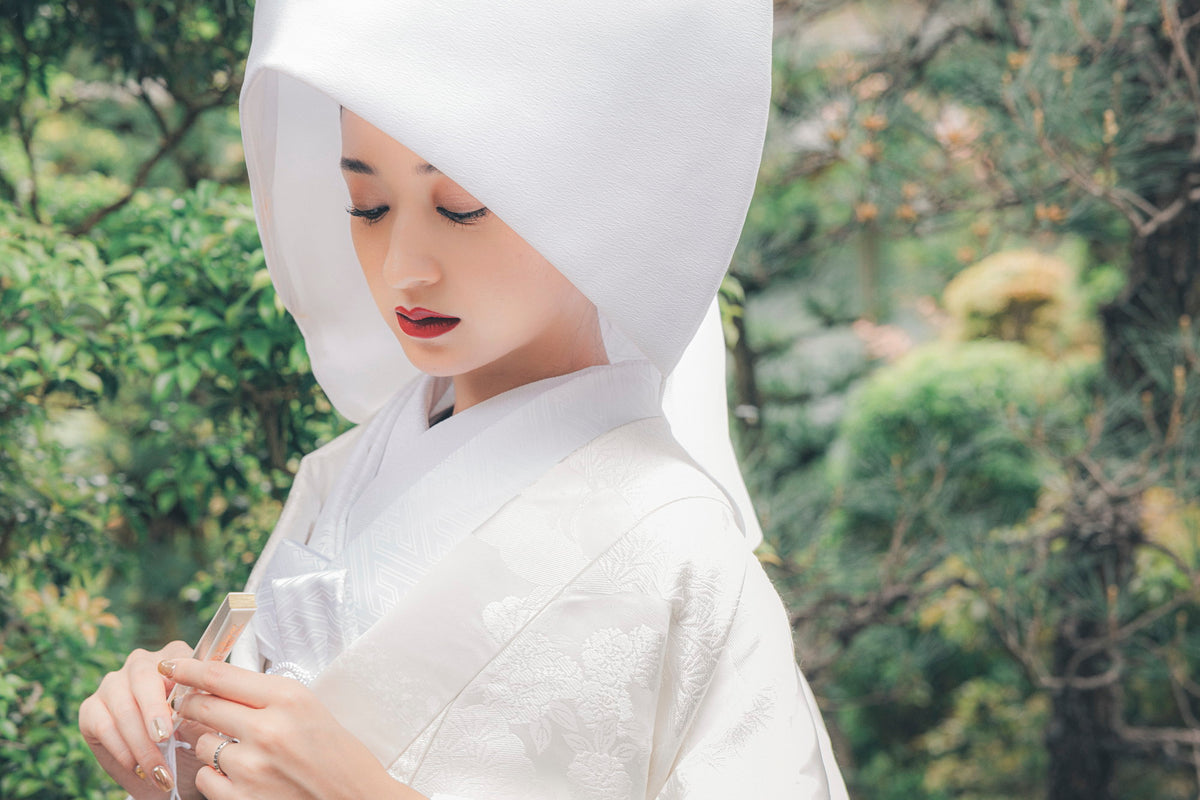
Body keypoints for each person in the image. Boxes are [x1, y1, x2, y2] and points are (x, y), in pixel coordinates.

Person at [79, 1, 850, 798]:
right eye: (367, 206)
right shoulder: (343, 478)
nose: (404, 268)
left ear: (605, 204)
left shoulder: (681, 548)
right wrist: (169, 748)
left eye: (460, 209)